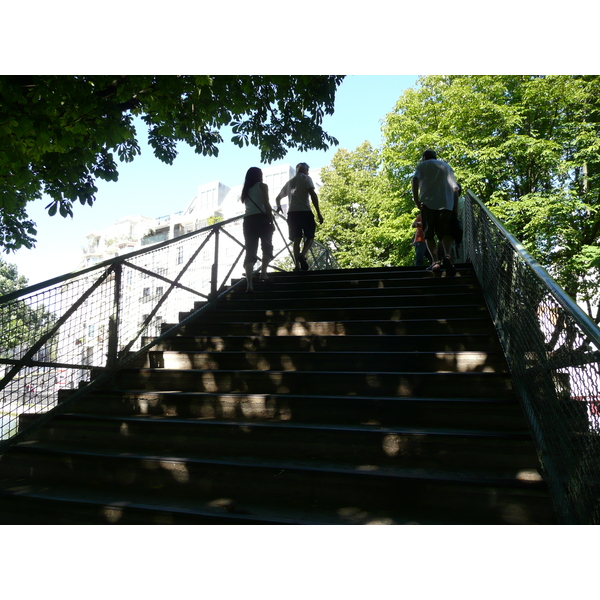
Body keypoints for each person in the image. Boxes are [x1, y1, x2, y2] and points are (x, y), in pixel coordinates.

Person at [411, 150, 459, 276]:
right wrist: (455, 207)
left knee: (429, 234)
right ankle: (447, 256)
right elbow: (455, 188)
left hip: (428, 204)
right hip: (446, 204)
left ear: (424, 157)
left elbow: (415, 179)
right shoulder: (447, 166)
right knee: (446, 232)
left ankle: (435, 262)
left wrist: (416, 199)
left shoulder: (423, 165)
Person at [275, 162, 324, 271]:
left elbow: (277, 198)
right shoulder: (306, 178)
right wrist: (318, 213)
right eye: (308, 170)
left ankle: (297, 266)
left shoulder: (289, 183)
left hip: (292, 214)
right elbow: (313, 194)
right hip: (305, 211)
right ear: (305, 170)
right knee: (310, 236)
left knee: (296, 240)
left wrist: (279, 207)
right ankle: (302, 254)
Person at [240, 167, 274, 292]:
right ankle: (263, 273)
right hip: (262, 219)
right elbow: (266, 204)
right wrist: (271, 220)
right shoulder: (263, 186)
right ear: (259, 175)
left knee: (250, 251)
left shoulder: (245, 190)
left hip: (248, 221)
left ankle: (249, 284)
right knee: (267, 246)